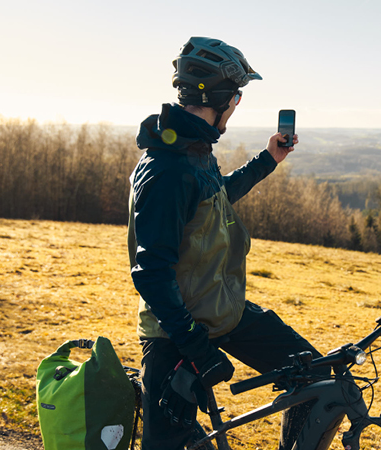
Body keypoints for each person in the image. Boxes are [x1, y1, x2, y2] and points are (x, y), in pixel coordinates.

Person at [127, 37, 322, 450]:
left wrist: (267, 160)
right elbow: (151, 272)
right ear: (223, 98)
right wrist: (196, 348)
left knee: (316, 379)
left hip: (221, 310)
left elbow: (214, 198)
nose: (237, 104)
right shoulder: (167, 169)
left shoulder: (194, 149)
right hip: (175, 331)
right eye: (237, 96)